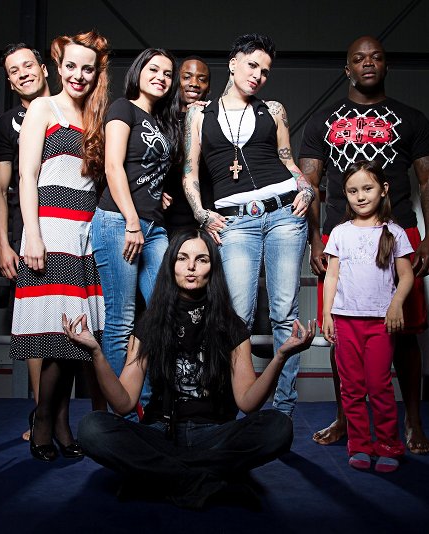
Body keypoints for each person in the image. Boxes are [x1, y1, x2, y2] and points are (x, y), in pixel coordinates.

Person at [64, 230, 316, 508]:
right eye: (182, 258)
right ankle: (206, 480)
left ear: (213, 268)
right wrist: (96, 353)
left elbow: (248, 402)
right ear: (171, 265)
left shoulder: (231, 325)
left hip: (215, 435)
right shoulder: (150, 323)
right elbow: (123, 404)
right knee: (92, 428)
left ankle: (158, 477)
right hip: (161, 433)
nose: (191, 266)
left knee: (279, 426)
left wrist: (280, 356)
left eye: (201, 259)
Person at [300, 35, 429, 453]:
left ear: (386, 65)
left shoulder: (412, 119)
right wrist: (314, 241)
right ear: (347, 69)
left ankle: (412, 422)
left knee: (406, 330)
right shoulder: (322, 121)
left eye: (376, 57)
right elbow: (309, 185)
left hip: (397, 233)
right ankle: (346, 418)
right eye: (359, 58)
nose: (368, 63)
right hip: (339, 237)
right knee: (342, 329)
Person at [181, 34, 315, 417]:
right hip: (235, 222)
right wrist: (201, 213)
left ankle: (283, 411)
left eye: (265, 71)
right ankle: (238, 409)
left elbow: (288, 161)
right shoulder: (199, 114)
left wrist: (306, 188)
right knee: (237, 317)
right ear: (233, 62)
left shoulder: (273, 110)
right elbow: (190, 171)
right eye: (253, 65)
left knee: (284, 314)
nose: (258, 75)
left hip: (285, 214)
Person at [10, 31, 110, 461]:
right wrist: (32, 235)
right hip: (50, 230)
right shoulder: (42, 108)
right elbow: (26, 176)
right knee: (55, 337)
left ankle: (62, 425)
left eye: (87, 68)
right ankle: (43, 423)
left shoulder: (96, 116)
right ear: (58, 66)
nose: (78, 75)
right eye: (71, 66)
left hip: (84, 233)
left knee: (73, 336)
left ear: (97, 73)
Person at [91, 48, 182, 399]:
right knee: (122, 318)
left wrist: (157, 193)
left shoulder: (162, 121)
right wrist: (132, 220)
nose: (161, 77)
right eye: (153, 69)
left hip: (154, 226)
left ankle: (152, 399)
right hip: (119, 222)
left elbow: (143, 170)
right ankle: (127, 405)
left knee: (165, 309)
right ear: (138, 72)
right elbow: (113, 166)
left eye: (168, 73)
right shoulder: (122, 108)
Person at [322, 160, 413, 472]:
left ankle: (388, 445)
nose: (360, 196)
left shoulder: (395, 232)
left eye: (367, 188)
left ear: (383, 189)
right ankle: (359, 445)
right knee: (351, 388)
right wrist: (327, 314)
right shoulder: (340, 233)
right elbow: (332, 276)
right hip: (346, 320)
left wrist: (396, 304)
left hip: (379, 322)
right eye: (352, 191)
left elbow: (407, 275)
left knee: (379, 386)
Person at [0, 43, 50, 441]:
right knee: (37, 326)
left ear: (44, 68)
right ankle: (43, 416)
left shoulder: (73, 110)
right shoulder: (5, 125)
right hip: (26, 235)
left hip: (78, 228)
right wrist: (2, 245)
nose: (23, 72)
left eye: (29, 65)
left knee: (86, 323)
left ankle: (91, 419)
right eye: (14, 70)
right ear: (10, 82)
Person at [162, 56, 212, 236]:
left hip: (207, 216)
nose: (194, 83)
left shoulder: (214, 120)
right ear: (176, 81)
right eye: (187, 77)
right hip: (167, 217)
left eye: (202, 79)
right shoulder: (160, 121)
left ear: (208, 87)